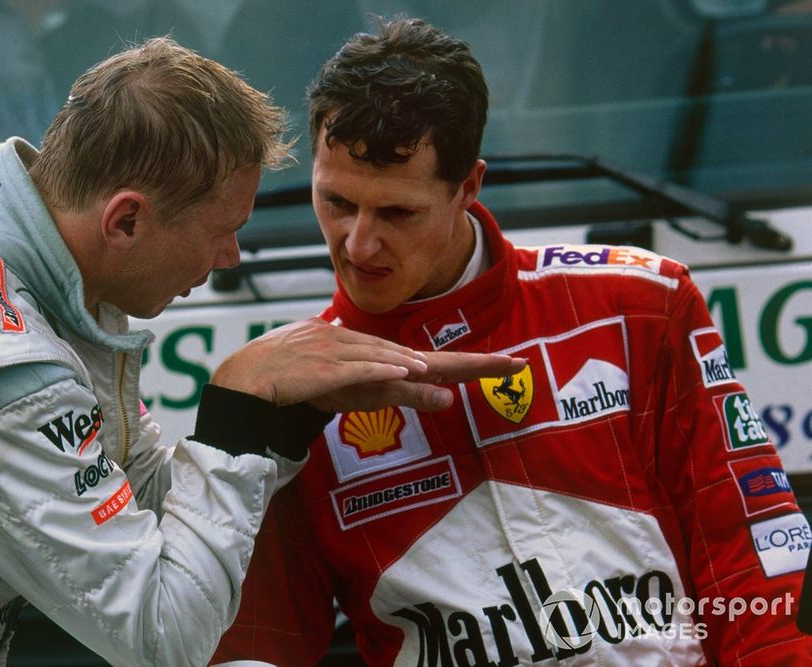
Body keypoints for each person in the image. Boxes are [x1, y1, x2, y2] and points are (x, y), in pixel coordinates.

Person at [0, 37, 525, 666]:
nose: (230, 255)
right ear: (126, 219)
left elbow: (143, 503)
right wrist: (237, 418)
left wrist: (281, 413)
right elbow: (163, 638)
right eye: (221, 230)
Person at [213, 17, 812, 666]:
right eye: (335, 202)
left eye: (396, 213)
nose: (358, 243)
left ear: (469, 187)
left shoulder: (642, 305)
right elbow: (258, 647)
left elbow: (751, 553)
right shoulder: (288, 394)